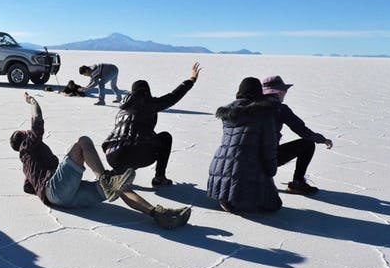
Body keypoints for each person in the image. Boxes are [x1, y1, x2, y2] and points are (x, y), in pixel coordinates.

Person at [10, 92, 191, 229]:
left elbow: (27, 187)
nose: (27, 132)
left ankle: (158, 214)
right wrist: (33, 102)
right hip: (55, 190)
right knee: (83, 142)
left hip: (63, 199)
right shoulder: (27, 147)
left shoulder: (28, 163)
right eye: (25, 132)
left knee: (117, 186)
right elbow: (37, 124)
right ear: (23, 138)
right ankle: (104, 178)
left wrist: (40, 187)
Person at [101, 62, 201, 187]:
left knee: (130, 142)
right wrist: (191, 80)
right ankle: (159, 178)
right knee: (164, 137)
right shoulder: (149, 103)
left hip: (112, 156)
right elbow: (174, 96)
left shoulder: (122, 108)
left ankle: (116, 172)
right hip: (139, 155)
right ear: (147, 91)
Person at [207, 77, 282, 214]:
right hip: (245, 170)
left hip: (219, 171)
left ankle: (226, 198)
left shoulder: (228, 113)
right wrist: (270, 172)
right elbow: (268, 147)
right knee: (274, 205)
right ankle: (238, 200)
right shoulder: (264, 113)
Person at [262, 75, 333, 194]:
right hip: (267, 159)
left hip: (243, 159)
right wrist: (322, 139)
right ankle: (298, 183)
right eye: (284, 90)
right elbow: (302, 131)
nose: (285, 93)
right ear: (279, 92)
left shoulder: (246, 107)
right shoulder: (280, 109)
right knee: (308, 144)